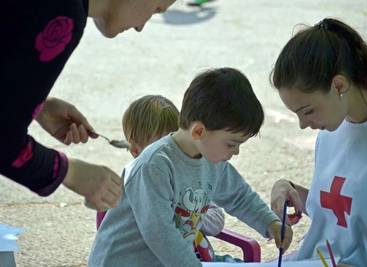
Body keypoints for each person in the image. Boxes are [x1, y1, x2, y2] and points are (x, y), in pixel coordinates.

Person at [87, 67, 293, 267]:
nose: (235, 152)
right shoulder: (154, 165)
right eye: (231, 144)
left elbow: (239, 196)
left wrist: (270, 223)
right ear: (199, 131)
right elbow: (161, 234)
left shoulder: (213, 160)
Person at [0, 0, 176, 211]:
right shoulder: (62, 14)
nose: (140, 27)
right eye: (156, 9)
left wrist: (37, 105)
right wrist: (71, 172)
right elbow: (4, 142)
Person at [269, 18, 367, 267]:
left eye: (307, 111)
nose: (303, 124)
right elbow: (339, 213)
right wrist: (289, 188)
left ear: (338, 85)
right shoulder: (331, 132)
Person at [95, 94, 226, 262]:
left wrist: (191, 215)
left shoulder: (185, 177)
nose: (172, 153)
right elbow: (157, 234)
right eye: (160, 148)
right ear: (135, 149)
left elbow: (217, 219)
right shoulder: (138, 180)